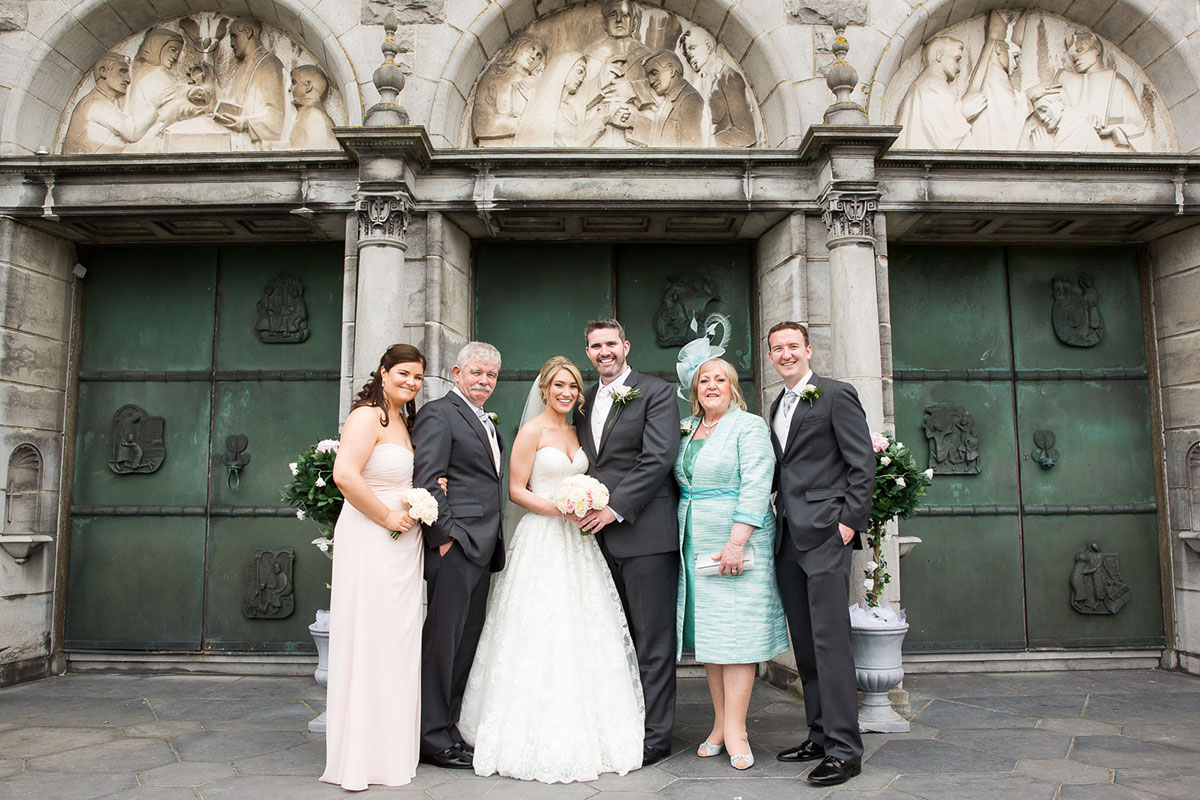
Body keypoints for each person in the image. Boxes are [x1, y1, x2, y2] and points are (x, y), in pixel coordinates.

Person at [459, 356, 644, 783]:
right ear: (544, 389)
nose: (566, 393)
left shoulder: (578, 430)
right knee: (538, 626)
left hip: (579, 544)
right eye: (559, 385)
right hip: (542, 537)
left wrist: (585, 505)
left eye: (573, 387)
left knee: (583, 625)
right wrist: (561, 509)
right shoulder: (532, 431)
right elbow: (516, 490)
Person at [767, 322, 873, 787]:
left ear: (808, 349)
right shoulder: (777, 404)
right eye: (777, 349)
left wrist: (848, 523)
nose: (785, 354)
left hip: (828, 534)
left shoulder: (835, 394)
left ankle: (846, 750)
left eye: (793, 346)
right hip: (788, 536)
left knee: (831, 642)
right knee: (806, 645)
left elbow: (861, 461)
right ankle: (819, 733)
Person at [320, 344, 426, 790]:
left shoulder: (404, 420)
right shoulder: (366, 416)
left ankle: (390, 751)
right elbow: (346, 475)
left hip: (404, 543)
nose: (411, 383)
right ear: (382, 373)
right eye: (403, 374)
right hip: (371, 535)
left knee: (396, 641)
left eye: (418, 377)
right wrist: (385, 517)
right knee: (369, 636)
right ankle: (362, 757)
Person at [574, 319, 680, 766]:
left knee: (652, 639)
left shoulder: (655, 392)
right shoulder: (581, 400)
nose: (604, 352)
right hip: (592, 541)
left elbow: (658, 457)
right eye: (596, 346)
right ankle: (621, 722)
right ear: (588, 352)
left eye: (611, 344)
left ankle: (656, 735)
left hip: (644, 532)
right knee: (609, 639)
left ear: (626, 346)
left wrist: (613, 507)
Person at [675, 357, 788, 770]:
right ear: (695, 389)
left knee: (738, 636)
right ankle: (720, 724)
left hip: (737, 539)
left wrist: (737, 541)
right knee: (713, 636)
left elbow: (758, 483)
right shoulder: (688, 430)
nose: (711, 385)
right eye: (704, 380)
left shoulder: (749, 425)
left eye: (720, 379)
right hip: (695, 540)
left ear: (733, 387)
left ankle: (738, 729)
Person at [412, 342, 506, 770]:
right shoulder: (438, 413)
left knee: (464, 643)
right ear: (456, 372)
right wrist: (444, 537)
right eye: (476, 373)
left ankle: (449, 729)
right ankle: (430, 737)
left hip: (483, 546)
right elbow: (427, 478)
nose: (484, 381)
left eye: (490, 375)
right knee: (442, 643)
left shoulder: (487, 421)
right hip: (457, 544)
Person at [62, 53, 173, 154]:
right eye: (122, 71)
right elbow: (131, 131)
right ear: (103, 71)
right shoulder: (94, 104)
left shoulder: (105, 101)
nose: (128, 80)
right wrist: (154, 103)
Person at [1055, 30, 1147, 151]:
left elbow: (1139, 126)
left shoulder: (1117, 82)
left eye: (1080, 50)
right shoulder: (1068, 80)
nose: (1075, 58)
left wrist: (1112, 129)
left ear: (1097, 49)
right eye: (1071, 55)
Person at [894, 36, 986, 150]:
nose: (959, 68)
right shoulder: (931, 86)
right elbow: (940, 133)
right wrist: (963, 114)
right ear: (940, 55)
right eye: (956, 59)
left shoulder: (931, 84)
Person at [214, 17, 285, 148]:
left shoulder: (268, 63)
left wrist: (245, 124)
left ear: (248, 32)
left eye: (234, 36)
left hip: (255, 148)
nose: (231, 43)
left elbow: (275, 117)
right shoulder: (243, 68)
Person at [679, 26, 756, 147]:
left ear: (708, 46)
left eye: (692, 48)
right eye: (686, 54)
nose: (689, 56)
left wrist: (706, 142)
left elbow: (746, 134)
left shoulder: (727, 77)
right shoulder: (696, 86)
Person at [644, 50, 704, 147]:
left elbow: (692, 149)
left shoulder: (689, 100)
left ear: (671, 70)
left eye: (654, 73)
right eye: (648, 77)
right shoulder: (670, 99)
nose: (650, 81)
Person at [288, 65, 340, 150]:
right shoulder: (307, 114)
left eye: (294, 83)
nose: (290, 89)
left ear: (308, 86)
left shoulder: (314, 116)